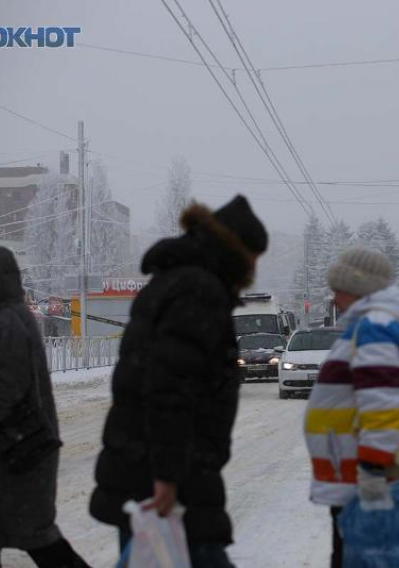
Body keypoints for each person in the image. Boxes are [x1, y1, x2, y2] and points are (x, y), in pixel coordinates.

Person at [90, 196, 267, 567]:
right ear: (238, 250)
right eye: (254, 257)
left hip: (150, 465)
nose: (254, 267)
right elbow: (168, 387)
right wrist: (167, 476)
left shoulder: (173, 280)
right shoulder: (200, 291)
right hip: (172, 477)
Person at [0, 246, 89, 568]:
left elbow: (12, 386)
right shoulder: (5, 320)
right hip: (6, 453)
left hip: (12, 454)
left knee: (29, 538)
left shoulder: (8, 322)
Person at [303, 247, 399, 568]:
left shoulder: (375, 326)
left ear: (357, 288)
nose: (333, 299)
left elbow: (381, 402)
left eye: (337, 290)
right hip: (356, 472)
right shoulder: (373, 325)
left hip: (363, 476)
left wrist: (373, 469)